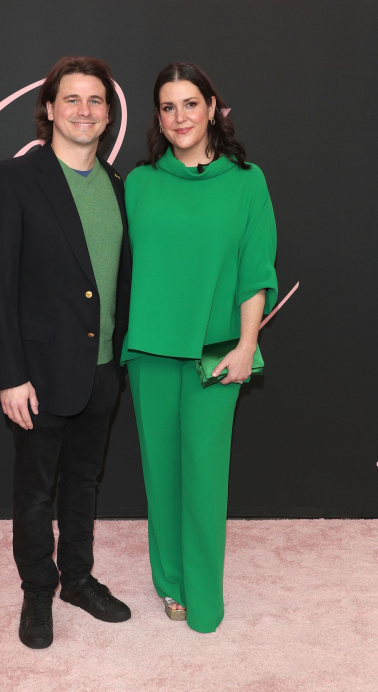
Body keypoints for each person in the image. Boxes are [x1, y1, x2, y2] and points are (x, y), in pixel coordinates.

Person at [0, 56, 132, 649]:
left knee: (84, 483)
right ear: (48, 108)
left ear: (108, 114)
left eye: (95, 101)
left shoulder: (119, 184)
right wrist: (9, 375)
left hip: (101, 372)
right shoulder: (11, 179)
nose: (84, 111)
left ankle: (78, 580)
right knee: (36, 489)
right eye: (72, 99)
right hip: (37, 374)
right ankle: (37, 590)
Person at [121, 62, 278, 633]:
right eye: (168, 106)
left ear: (213, 108)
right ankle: (170, 581)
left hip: (217, 354)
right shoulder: (138, 184)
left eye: (191, 103)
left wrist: (247, 344)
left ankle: (203, 591)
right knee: (161, 474)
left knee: (205, 476)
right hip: (152, 354)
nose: (180, 117)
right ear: (157, 118)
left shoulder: (246, 180)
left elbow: (256, 272)